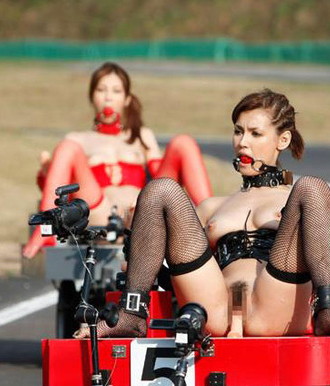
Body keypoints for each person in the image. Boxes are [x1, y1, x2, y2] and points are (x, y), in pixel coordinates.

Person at [84, 89, 330, 338]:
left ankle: (328, 311)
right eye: (238, 131)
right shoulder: (212, 206)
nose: (242, 142)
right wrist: (136, 239)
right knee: (161, 189)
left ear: (282, 140)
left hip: (276, 304)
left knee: (312, 187)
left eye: (255, 133)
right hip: (216, 309)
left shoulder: (295, 200)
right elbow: (174, 274)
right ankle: (132, 315)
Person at [22, 62, 212, 258]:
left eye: (116, 91)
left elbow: (162, 180)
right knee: (67, 147)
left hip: (141, 212)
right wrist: (47, 171)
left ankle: (211, 221)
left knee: (183, 142)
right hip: (98, 212)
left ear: (127, 99)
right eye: (101, 90)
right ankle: (44, 231)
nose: (108, 97)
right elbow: (59, 188)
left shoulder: (142, 136)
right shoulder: (78, 139)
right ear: (92, 96)